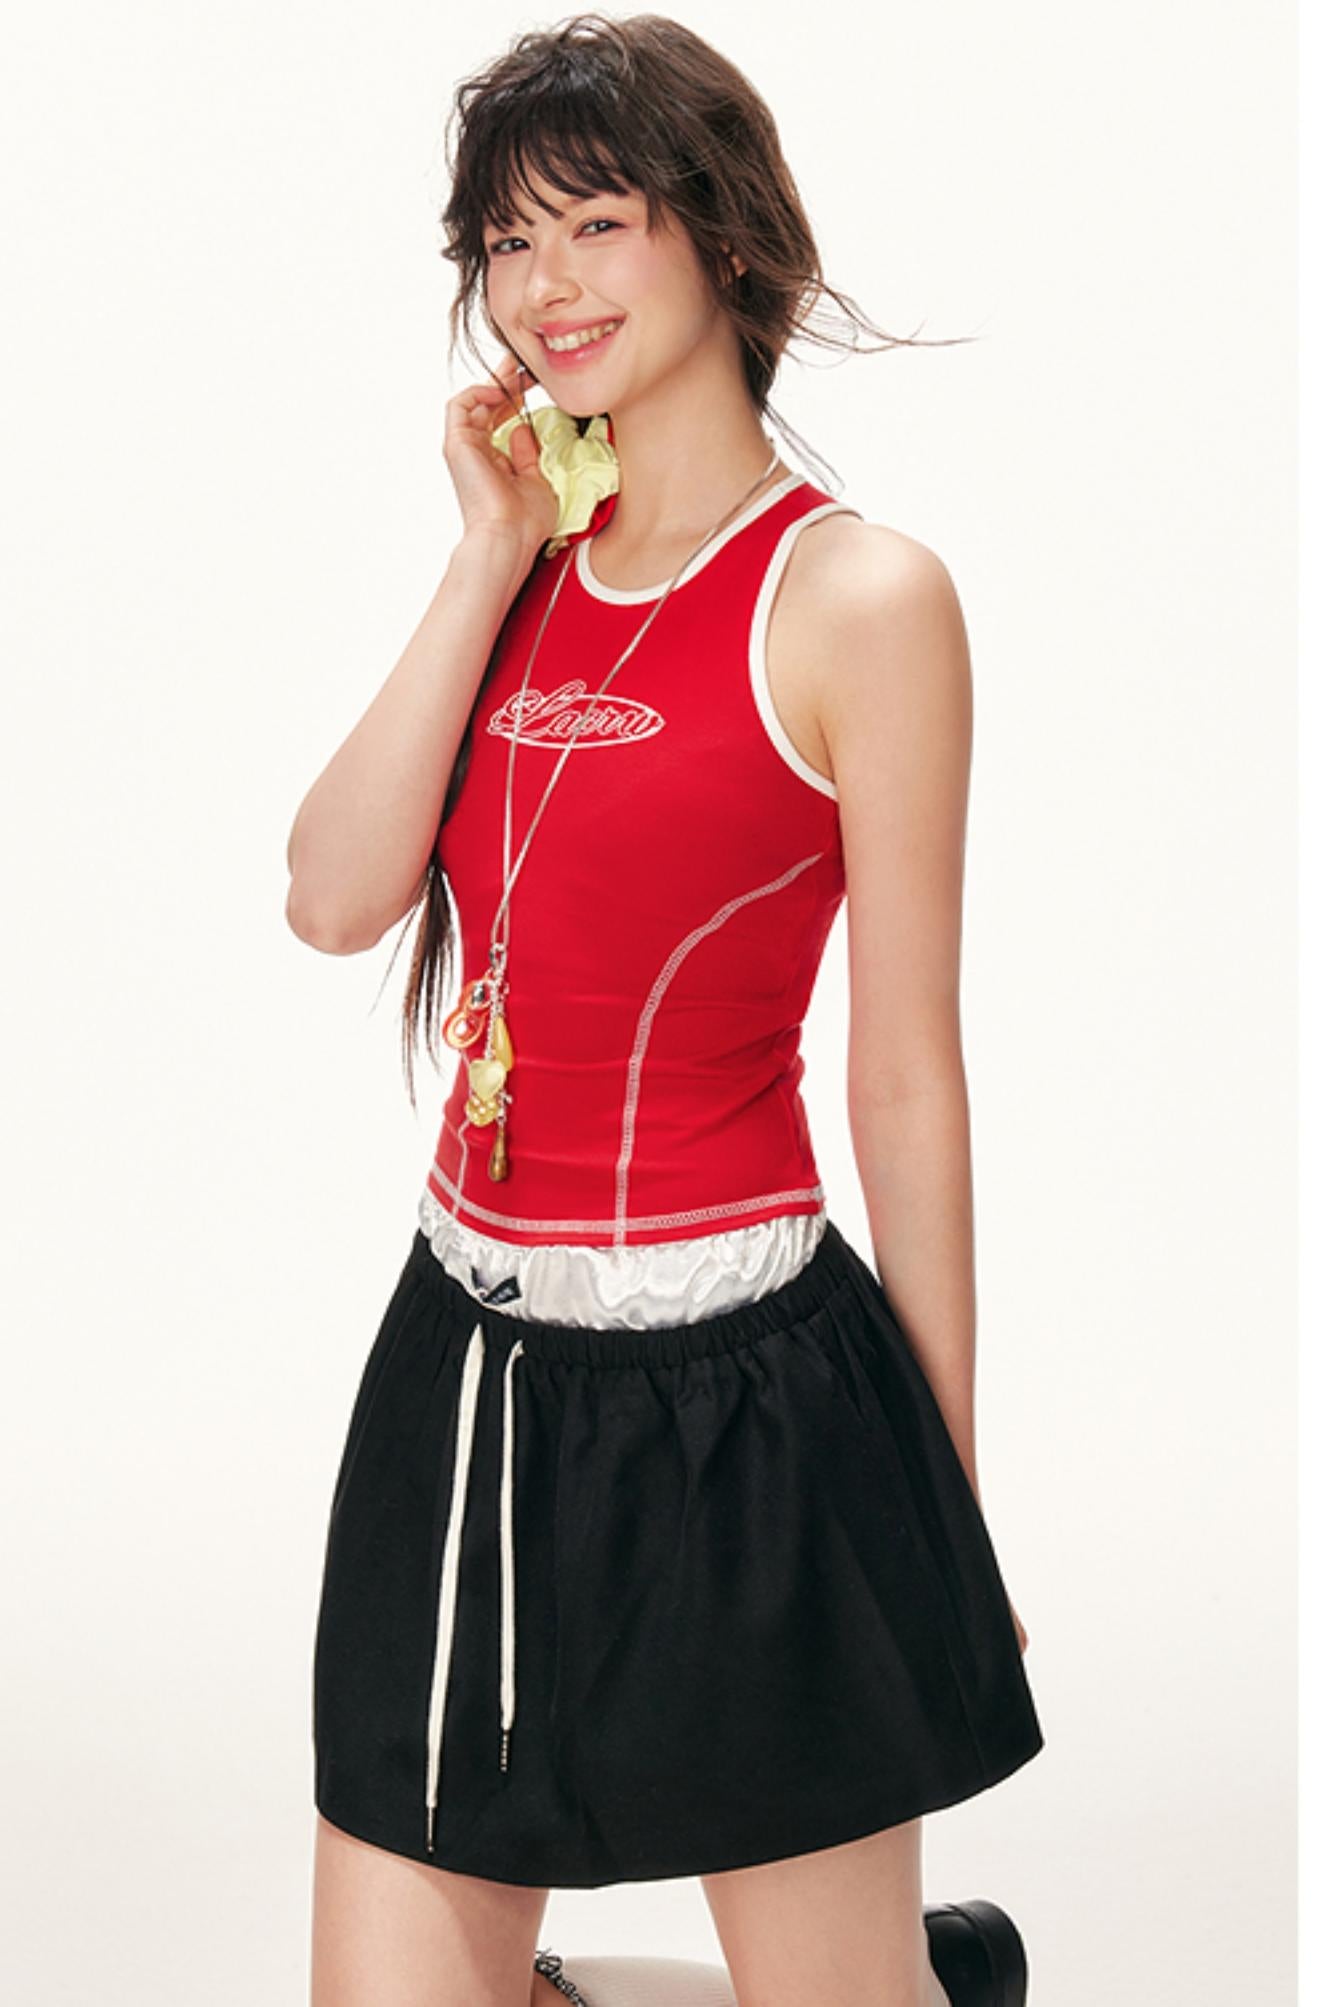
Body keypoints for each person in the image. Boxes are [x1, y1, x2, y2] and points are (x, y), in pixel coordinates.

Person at [285, 13, 1045, 2006]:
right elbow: (333, 897)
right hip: (467, 1382)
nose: (543, 286)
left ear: (718, 231)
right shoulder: (521, 571)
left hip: (753, 1415)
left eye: (596, 224)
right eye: (505, 242)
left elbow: (906, 1074)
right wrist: (484, 552)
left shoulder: (857, 599)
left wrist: (939, 1511)